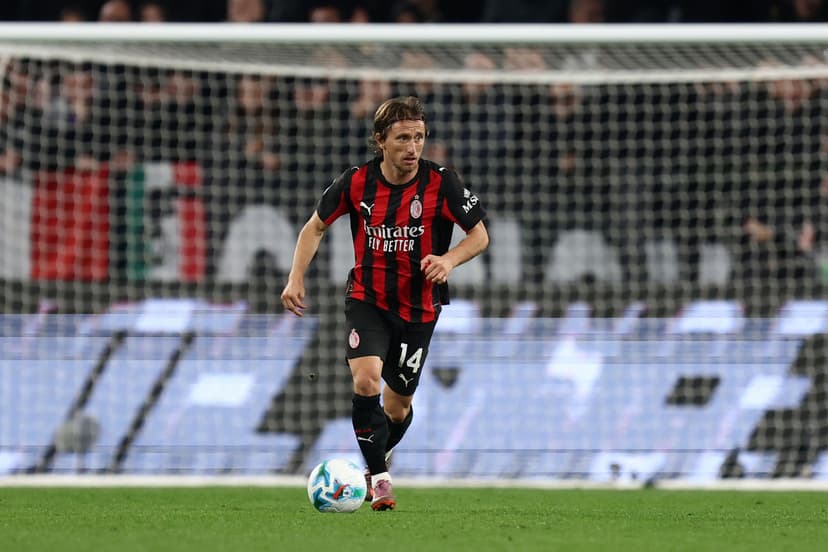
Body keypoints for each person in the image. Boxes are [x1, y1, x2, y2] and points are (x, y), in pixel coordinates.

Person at [280, 96, 489, 510]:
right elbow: (315, 226)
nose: (413, 148)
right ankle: (379, 480)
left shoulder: (441, 182)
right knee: (366, 381)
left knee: (397, 407)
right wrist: (295, 277)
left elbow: (479, 235)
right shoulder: (356, 182)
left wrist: (448, 259)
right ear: (381, 141)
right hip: (368, 300)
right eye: (403, 138)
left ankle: (376, 460)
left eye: (419, 137)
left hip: (419, 308)